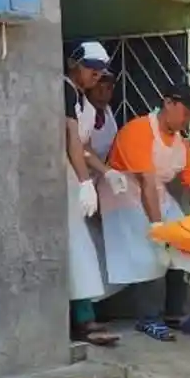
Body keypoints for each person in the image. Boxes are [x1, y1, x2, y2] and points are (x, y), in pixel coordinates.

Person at [101, 84, 190, 341]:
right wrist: (156, 226)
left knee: (181, 240)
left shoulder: (181, 145)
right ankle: (148, 318)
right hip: (122, 191)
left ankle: (175, 313)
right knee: (150, 251)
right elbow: (146, 183)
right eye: (186, 112)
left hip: (155, 192)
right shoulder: (139, 130)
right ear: (169, 103)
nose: (188, 119)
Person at [63, 42, 121, 346]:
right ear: (75, 64)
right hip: (64, 173)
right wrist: (85, 183)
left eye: (100, 72)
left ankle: (86, 315)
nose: (96, 76)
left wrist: (107, 172)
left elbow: (83, 148)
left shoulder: (78, 96)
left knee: (84, 246)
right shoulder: (66, 89)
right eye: (92, 69)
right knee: (78, 246)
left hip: (75, 171)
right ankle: (84, 320)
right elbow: (72, 140)